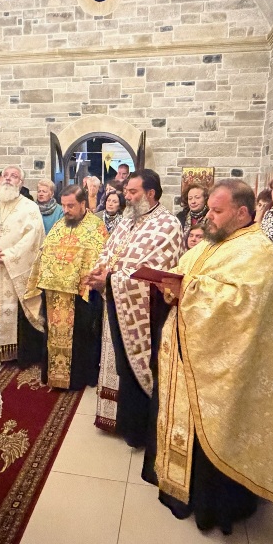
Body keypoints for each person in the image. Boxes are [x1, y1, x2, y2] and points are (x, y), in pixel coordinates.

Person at [153, 179, 273, 534]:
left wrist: (187, 288)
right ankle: (177, 488)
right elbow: (185, 272)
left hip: (222, 366)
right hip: (188, 352)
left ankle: (211, 506)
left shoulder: (258, 250)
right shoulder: (213, 241)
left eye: (217, 211)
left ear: (242, 213)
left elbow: (241, 304)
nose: (208, 217)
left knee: (214, 432)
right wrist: (169, 284)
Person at [86, 169, 182, 467]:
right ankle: (116, 420)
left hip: (145, 313)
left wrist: (110, 280)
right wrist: (99, 272)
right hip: (115, 303)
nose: (126, 197)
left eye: (132, 192)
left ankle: (137, 429)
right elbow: (109, 252)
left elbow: (157, 272)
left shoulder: (168, 225)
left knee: (137, 367)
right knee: (115, 362)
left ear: (150, 193)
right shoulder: (127, 219)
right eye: (126, 191)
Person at [26, 185, 108, 390]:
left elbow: (100, 258)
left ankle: (78, 379)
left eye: (71, 206)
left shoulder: (96, 227)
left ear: (82, 203)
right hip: (54, 293)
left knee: (81, 337)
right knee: (52, 334)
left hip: (81, 294)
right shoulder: (59, 225)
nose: (66, 210)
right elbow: (45, 252)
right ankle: (53, 376)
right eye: (63, 205)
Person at [0, 165, 45, 364]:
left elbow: (33, 237)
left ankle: (20, 354)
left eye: (14, 176)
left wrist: (9, 255)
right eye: (5, 175)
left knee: (18, 311)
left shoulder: (29, 208)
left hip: (16, 271)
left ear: (21, 183)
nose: (8, 179)